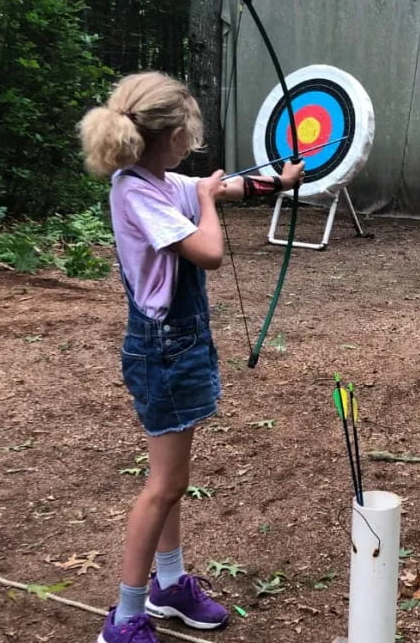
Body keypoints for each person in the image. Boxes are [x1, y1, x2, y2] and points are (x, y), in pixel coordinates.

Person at [78, 71, 304, 643]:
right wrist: (206, 196)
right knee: (162, 485)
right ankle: (125, 618)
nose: (194, 139)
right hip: (163, 351)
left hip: (178, 347)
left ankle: (169, 586)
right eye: (190, 129)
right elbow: (208, 251)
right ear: (174, 134)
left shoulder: (158, 179)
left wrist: (276, 182)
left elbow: (222, 188)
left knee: (172, 481)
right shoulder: (137, 192)